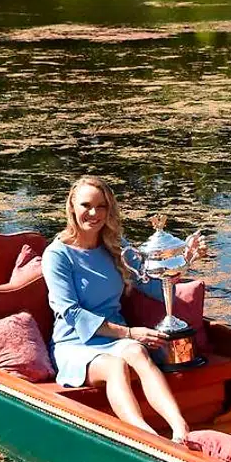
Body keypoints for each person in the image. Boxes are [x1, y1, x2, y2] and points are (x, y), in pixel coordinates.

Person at [43, 177, 199, 443]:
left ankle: (180, 428)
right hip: (74, 344)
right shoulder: (57, 255)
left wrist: (185, 260)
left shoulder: (116, 245)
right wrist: (129, 332)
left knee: (137, 352)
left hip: (117, 338)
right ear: (71, 207)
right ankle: (145, 437)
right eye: (86, 205)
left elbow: (151, 282)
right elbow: (72, 314)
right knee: (116, 365)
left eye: (101, 206)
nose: (94, 214)